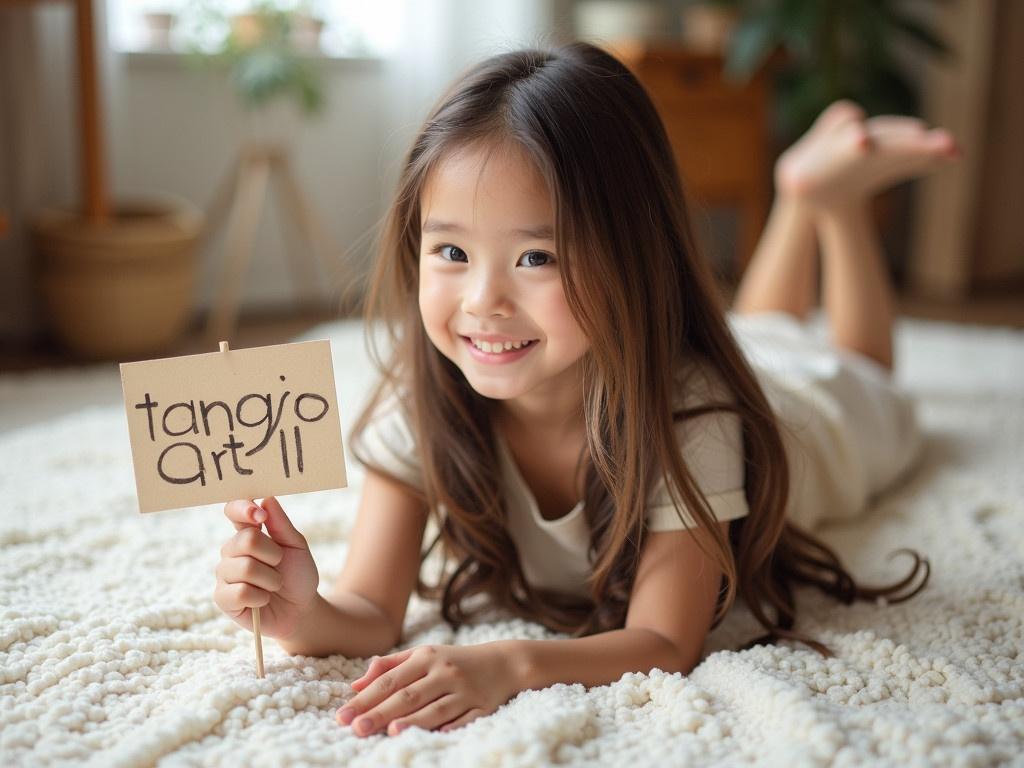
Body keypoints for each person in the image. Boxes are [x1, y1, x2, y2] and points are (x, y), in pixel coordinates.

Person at [212, 42, 959, 738]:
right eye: (450, 251)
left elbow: (666, 640)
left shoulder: (692, 411)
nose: (482, 300)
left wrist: (514, 662)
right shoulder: (428, 399)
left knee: (854, 374)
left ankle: (830, 206)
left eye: (536, 256)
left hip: (812, 421)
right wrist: (300, 609)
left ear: (632, 254)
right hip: (699, 356)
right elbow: (372, 610)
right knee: (762, 332)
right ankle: (798, 197)